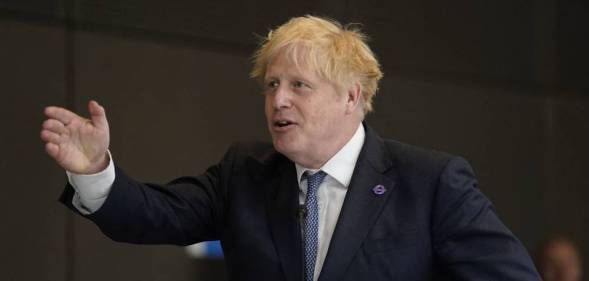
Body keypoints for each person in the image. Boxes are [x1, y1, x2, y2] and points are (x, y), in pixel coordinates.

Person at [40, 15, 541, 281]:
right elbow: (152, 215)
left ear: (352, 96)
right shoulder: (245, 174)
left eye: (299, 85)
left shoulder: (431, 183)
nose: (278, 99)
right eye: (271, 84)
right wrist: (94, 170)